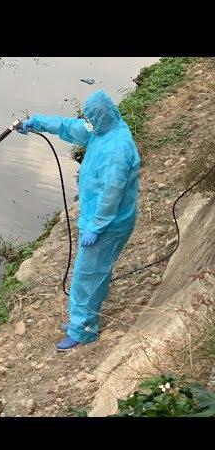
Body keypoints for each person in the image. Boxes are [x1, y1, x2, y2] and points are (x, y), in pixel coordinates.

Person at [17, 90, 140, 351]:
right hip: (98, 220)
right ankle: (81, 319)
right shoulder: (104, 131)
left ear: (101, 116)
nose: (90, 123)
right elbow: (72, 127)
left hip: (108, 225)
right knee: (89, 274)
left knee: (89, 275)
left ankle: (83, 330)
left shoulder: (116, 151)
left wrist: (96, 227)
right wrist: (36, 122)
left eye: (92, 118)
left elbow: (111, 195)